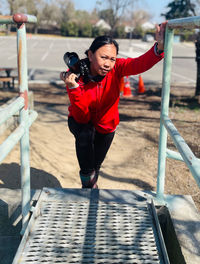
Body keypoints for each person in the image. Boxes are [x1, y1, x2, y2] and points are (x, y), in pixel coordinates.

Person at [60, 22, 167, 189]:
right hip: (79, 121)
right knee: (86, 136)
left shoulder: (117, 68)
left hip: (107, 125)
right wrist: (73, 88)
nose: (108, 64)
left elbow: (139, 63)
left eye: (112, 59)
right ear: (90, 55)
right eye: (103, 57)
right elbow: (82, 116)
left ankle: (91, 182)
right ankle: (88, 184)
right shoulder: (77, 76)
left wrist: (159, 47)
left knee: (96, 164)